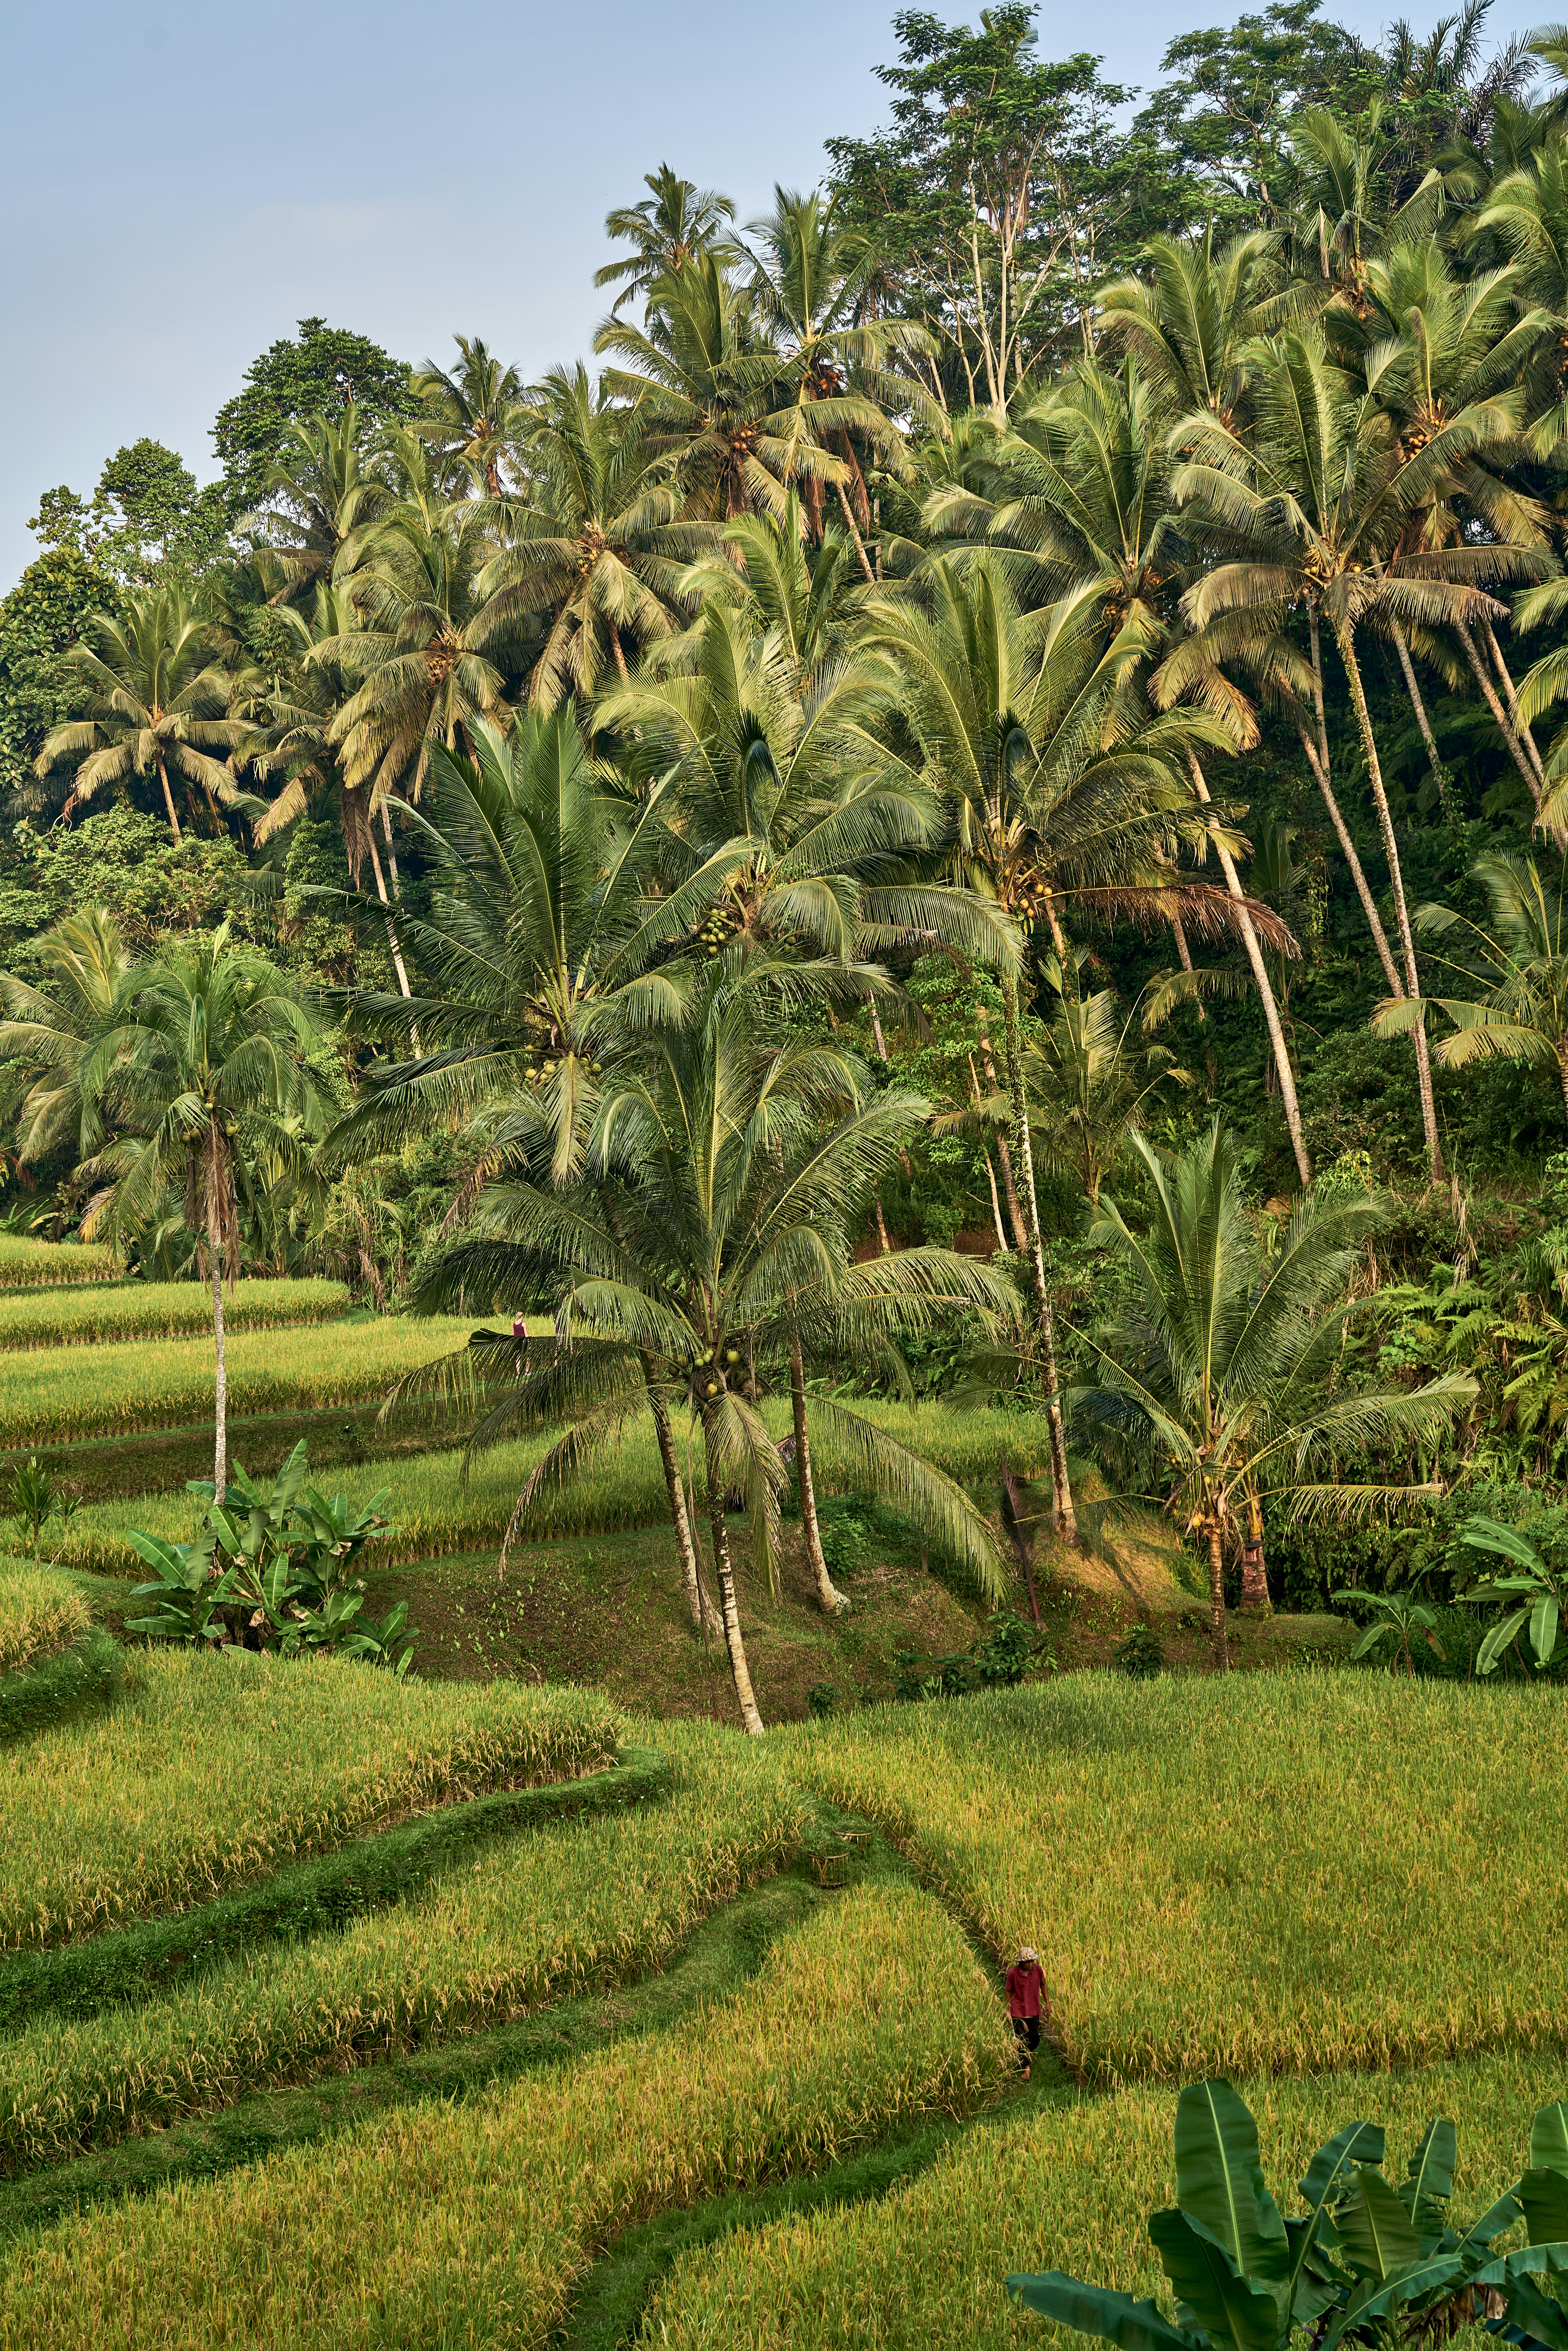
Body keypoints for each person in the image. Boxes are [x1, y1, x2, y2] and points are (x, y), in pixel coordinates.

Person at [1006, 1945, 1049, 2078]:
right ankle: (1027, 2067)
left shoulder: (1038, 1970)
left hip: (1034, 2009)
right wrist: (1008, 2008)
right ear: (1021, 1963)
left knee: (1035, 2038)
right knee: (1021, 2039)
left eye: (1032, 1961)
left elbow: (1043, 1985)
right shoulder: (1013, 1973)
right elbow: (1008, 1991)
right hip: (1018, 2011)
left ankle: (1031, 2050)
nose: (1031, 1964)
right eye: (1028, 1962)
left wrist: (1048, 2003)